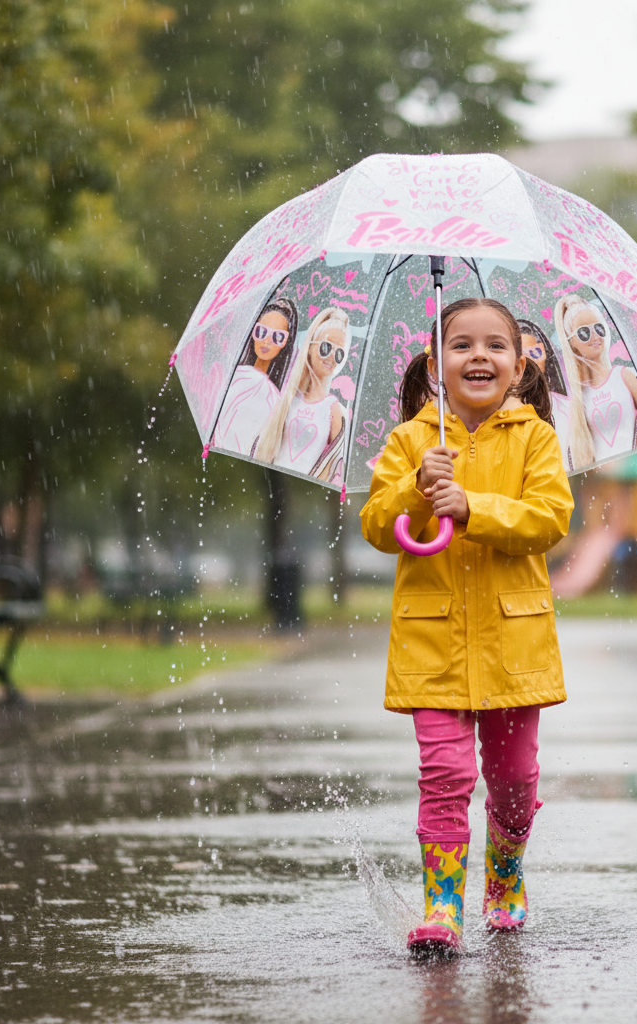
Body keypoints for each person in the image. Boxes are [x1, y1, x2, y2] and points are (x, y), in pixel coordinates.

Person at [361, 297, 574, 957]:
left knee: (514, 779)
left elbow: (548, 519)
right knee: (445, 773)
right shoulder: (409, 442)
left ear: (518, 367)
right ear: (435, 364)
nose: (478, 356)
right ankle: (443, 907)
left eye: (495, 346)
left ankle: (504, 878)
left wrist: (472, 505)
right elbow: (377, 528)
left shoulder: (535, 437)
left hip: (515, 642)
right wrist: (415, 491)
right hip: (434, 642)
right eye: (461, 345)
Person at [255, 306, 348, 481]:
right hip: (272, 485)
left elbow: (331, 471)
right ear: (311, 347)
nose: (331, 357)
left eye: (339, 353)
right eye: (326, 347)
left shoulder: (333, 411)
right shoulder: (288, 399)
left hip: (303, 494)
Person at [554, 294, 637, 466]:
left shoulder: (624, 376)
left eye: (599, 328)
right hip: (604, 484)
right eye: (584, 333)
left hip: (636, 469)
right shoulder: (578, 401)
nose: (595, 336)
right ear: (572, 343)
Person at [213, 295, 297, 456]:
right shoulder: (232, 376)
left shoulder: (275, 400)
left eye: (278, 337)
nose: (266, 341)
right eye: (261, 332)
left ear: (285, 344)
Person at [517, 317, 573, 470]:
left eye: (533, 353)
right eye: (518, 357)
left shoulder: (569, 408)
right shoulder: (500, 417)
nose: (527, 365)